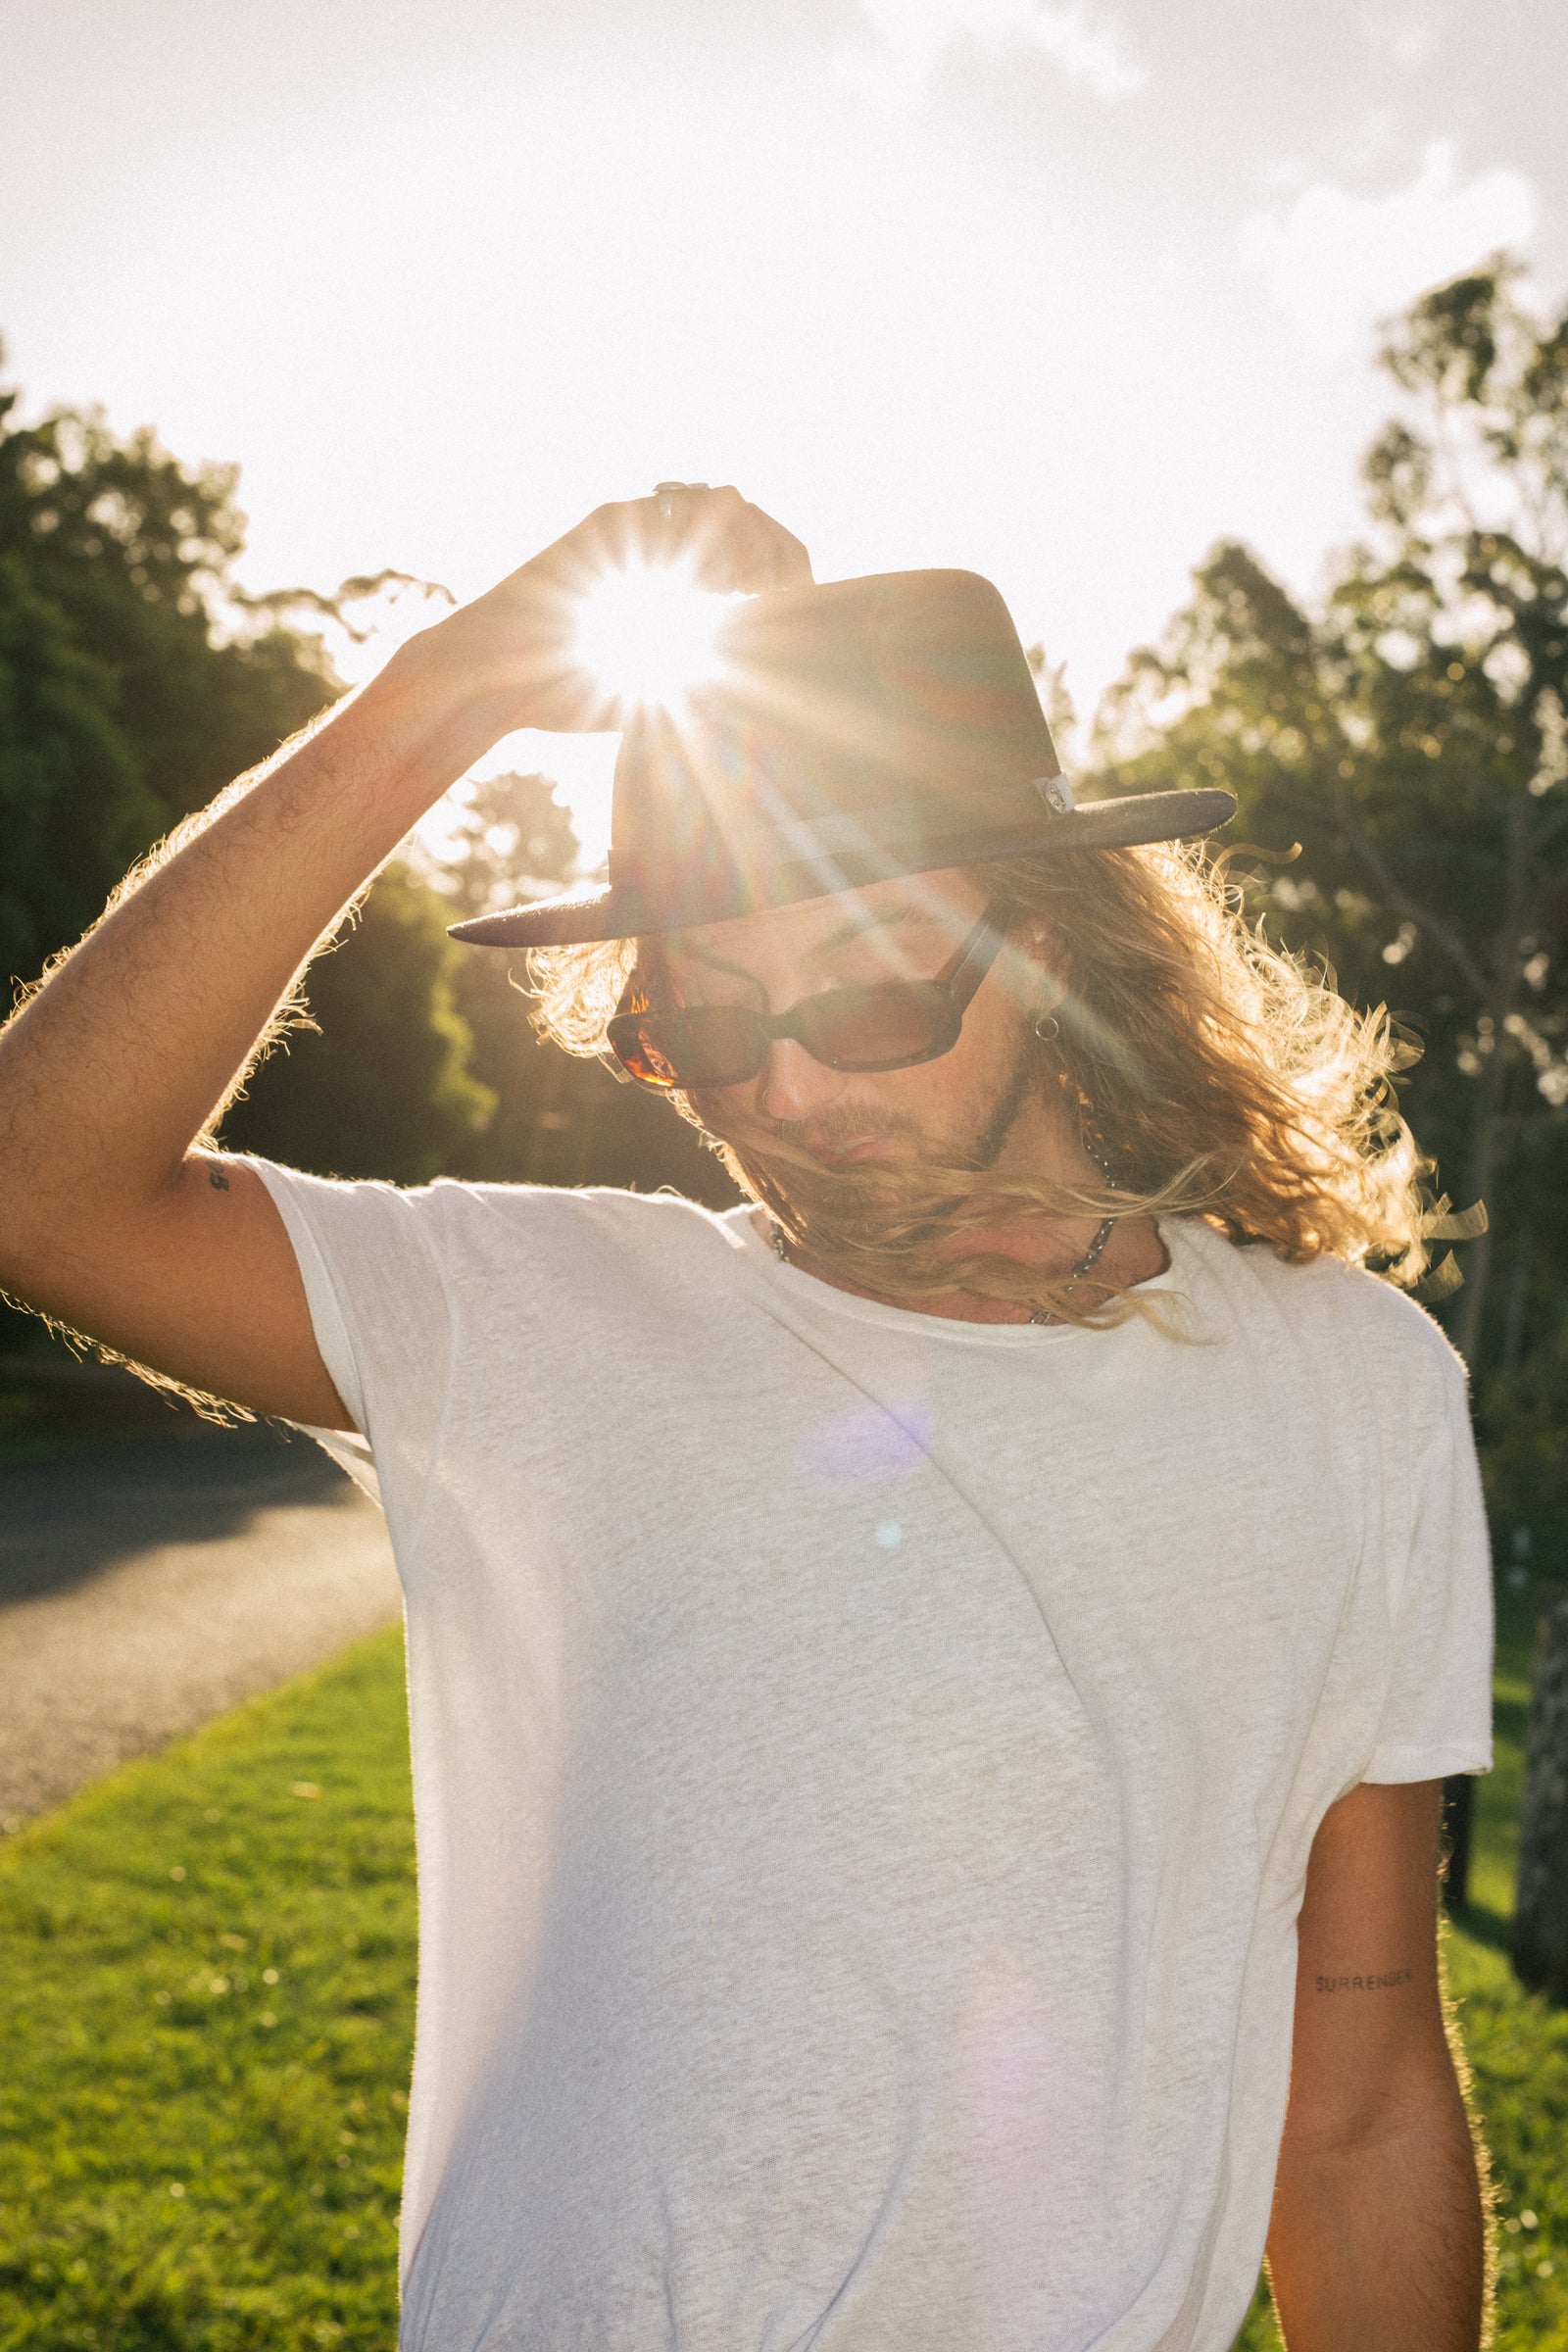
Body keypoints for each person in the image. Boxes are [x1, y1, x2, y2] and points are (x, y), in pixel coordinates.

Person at [0, 485, 1494, 2351]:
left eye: (868, 992)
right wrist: (441, 693)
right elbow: (36, 1182)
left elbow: (1353, 2096)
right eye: (700, 1025)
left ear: (1057, 954)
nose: (780, 1088)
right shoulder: (534, 1314)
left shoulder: (1353, 1388)